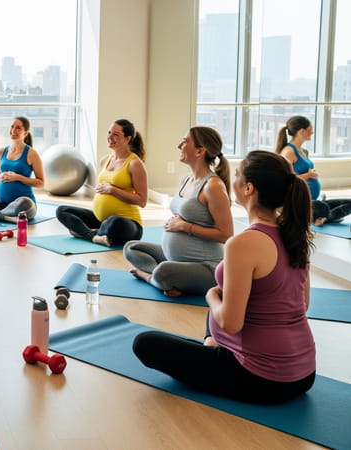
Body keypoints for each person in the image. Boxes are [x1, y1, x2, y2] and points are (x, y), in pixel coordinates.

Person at [133, 150, 316, 404]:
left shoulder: (242, 243)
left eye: (238, 175)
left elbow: (231, 324)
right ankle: (212, 343)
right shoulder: (295, 235)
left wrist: (210, 295)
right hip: (305, 373)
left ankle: (212, 346)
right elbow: (302, 305)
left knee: (145, 344)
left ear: (249, 188)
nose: (234, 179)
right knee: (218, 307)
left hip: (262, 379)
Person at [123, 127, 233, 297]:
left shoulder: (213, 186)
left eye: (185, 141)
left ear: (200, 150)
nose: (179, 145)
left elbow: (226, 234)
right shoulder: (186, 179)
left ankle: (151, 277)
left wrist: (185, 226)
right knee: (131, 247)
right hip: (174, 258)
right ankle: (170, 278)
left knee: (163, 271)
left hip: (207, 266)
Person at [56, 119, 148, 247]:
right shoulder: (105, 160)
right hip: (100, 220)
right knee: (62, 210)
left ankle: (84, 232)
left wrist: (113, 190)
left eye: (116, 134)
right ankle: (93, 235)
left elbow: (142, 201)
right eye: (109, 132)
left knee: (113, 221)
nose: (110, 137)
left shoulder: (135, 164)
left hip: (127, 224)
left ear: (127, 139)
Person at [276, 115, 351, 226]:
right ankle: (323, 217)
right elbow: (285, 180)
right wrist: (308, 175)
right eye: (310, 129)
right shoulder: (288, 152)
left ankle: (323, 217)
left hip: (313, 199)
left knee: (349, 203)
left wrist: (311, 174)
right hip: (301, 202)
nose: (312, 132)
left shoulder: (304, 151)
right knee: (323, 207)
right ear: (302, 131)